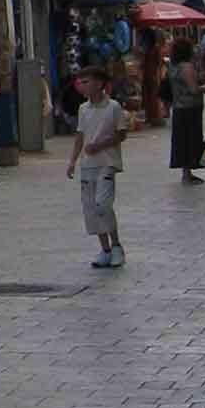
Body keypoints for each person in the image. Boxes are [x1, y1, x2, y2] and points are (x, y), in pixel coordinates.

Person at [66, 65, 128, 269]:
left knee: (103, 204)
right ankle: (105, 249)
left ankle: (117, 245)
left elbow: (121, 134)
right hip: (88, 165)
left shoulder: (113, 107)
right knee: (91, 208)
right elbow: (80, 136)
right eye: (81, 82)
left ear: (100, 83)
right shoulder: (83, 109)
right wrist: (73, 161)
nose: (83, 86)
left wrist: (100, 145)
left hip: (107, 163)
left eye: (87, 81)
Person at [167, 37, 205, 183]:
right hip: (191, 108)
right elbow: (193, 89)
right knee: (191, 139)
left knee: (181, 140)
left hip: (178, 107)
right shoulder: (187, 67)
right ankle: (188, 171)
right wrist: (204, 88)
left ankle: (186, 172)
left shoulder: (173, 66)